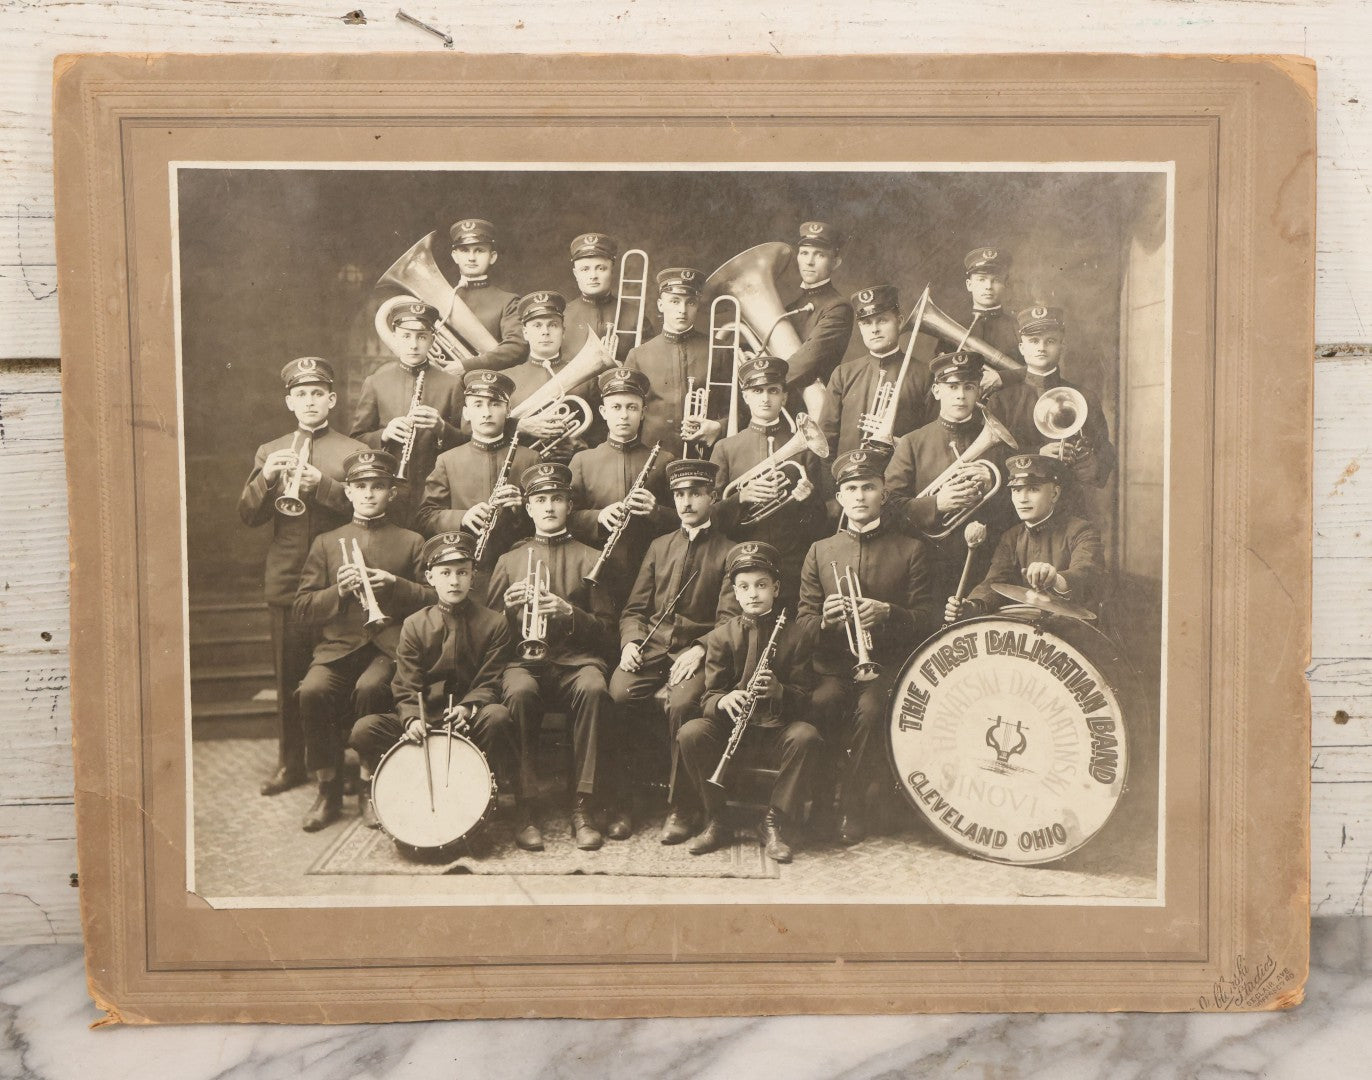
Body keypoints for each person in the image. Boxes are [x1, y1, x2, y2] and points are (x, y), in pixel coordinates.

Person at [238, 357, 367, 797]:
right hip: (289, 581)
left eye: (318, 394)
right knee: (289, 677)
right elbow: (248, 515)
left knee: (336, 676)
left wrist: (324, 487)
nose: (309, 401)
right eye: (301, 394)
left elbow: (368, 509)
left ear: (331, 399)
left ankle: (341, 763)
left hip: (337, 578)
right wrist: (268, 478)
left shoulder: (351, 451)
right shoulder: (269, 449)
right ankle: (292, 763)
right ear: (289, 401)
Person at [796, 448, 939, 844]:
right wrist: (825, 621)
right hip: (833, 666)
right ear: (840, 497)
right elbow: (803, 624)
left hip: (888, 666)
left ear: (883, 494)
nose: (860, 496)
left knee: (872, 710)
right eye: (851, 489)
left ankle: (852, 805)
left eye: (869, 487)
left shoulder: (911, 549)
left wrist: (889, 613)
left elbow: (928, 619)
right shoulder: (819, 550)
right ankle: (822, 803)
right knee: (822, 704)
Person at [291, 450, 432, 832]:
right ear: (348, 493)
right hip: (338, 648)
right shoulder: (325, 543)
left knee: (372, 688)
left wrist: (397, 586)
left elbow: (436, 599)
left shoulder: (412, 541)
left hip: (387, 648)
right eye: (361, 487)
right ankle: (328, 789)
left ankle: (371, 785)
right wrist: (338, 591)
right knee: (312, 691)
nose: (369, 494)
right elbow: (301, 608)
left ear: (392, 493)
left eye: (378, 486)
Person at [348, 532, 521, 835]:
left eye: (462, 572)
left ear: (472, 577)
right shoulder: (415, 624)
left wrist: (469, 708)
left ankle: (490, 788)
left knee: (498, 716)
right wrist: (412, 717)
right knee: (364, 730)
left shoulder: (494, 623)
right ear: (430, 577)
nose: (454, 581)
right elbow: (406, 682)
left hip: (468, 719)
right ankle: (390, 786)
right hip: (426, 717)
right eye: (445, 573)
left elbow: (490, 679)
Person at [488, 462, 620, 851]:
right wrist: (507, 613)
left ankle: (583, 805)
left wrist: (569, 613)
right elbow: (486, 633)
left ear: (569, 505)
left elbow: (609, 632)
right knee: (518, 693)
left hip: (577, 662)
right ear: (528, 508)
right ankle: (526, 807)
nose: (549, 508)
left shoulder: (591, 557)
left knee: (595, 688)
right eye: (540, 500)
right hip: (523, 661)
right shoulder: (508, 561)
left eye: (557, 499)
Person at [609, 459, 741, 845]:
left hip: (698, 652)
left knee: (682, 705)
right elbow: (634, 609)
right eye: (680, 495)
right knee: (618, 693)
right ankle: (628, 798)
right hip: (652, 645)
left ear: (712, 498)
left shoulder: (729, 551)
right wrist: (631, 641)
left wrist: (701, 649)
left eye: (696, 494)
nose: (686, 502)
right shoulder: (658, 545)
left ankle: (683, 805)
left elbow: (730, 619)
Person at [675, 541, 821, 863]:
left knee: (806, 736)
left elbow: (806, 697)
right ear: (735, 593)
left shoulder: (796, 635)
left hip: (777, 729)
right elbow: (709, 696)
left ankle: (773, 821)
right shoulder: (721, 636)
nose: (753, 593)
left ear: (776, 588)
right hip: (733, 730)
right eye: (744, 587)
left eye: (761, 585)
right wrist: (726, 699)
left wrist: (780, 691)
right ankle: (718, 817)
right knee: (691, 732)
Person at [884, 351, 1015, 605]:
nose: (960, 395)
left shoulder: (999, 447)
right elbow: (888, 508)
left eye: (969, 387)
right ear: (936, 391)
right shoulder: (913, 442)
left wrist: (993, 484)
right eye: (952, 386)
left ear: (979, 392)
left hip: (986, 567)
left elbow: (1017, 510)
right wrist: (937, 504)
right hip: (928, 565)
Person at [710, 355, 826, 605]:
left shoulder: (805, 449)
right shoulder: (726, 448)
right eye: (757, 390)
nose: (765, 398)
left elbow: (821, 519)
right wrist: (741, 497)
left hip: (793, 564)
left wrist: (807, 500)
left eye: (773, 391)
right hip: (742, 566)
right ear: (745, 396)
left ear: (784, 397)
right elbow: (710, 517)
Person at [414, 369, 538, 594]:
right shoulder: (447, 460)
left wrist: (522, 507)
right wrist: (463, 517)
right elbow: (425, 517)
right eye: (478, 404)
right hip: (466, 574)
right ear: (466, 413)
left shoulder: (530, 458)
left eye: (495, 404)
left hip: (519, 572)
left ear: (508, 410)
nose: (487, 412)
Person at [944, 453, 1107, 622]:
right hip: (1025, 632)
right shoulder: (1011, 537)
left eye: (1033, 489)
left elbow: (1087, 573)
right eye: (1016, 490)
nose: (1022, 499)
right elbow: (995, 581)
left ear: (1055, 494)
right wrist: (972, 606)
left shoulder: (1082, 530)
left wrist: (1056, 580)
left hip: (1071, 630)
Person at [984, 306, 1117, 511]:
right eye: (1034, 341)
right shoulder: (1001, 401)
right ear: (1021, 347)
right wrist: (1037, 454)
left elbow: (1105, 449)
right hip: (1015, 511)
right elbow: (989, 459)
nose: (1042, 347)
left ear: (1062, 346)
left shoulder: (1084, 398)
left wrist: (1094, 465)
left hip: (1069, 506)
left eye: (1050, 341)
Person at [350, 300, 467, 527]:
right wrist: (384, 435)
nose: (413, 344)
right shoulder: (376, 382)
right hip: (388, 492)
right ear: (394, 337)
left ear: (432, 340)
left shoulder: (452, 385)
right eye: (406, 336)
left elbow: (468, 444)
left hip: (436, 492)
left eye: (421, 337)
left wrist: (442, 429)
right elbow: (356, 440)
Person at [568, 366, 678, 605]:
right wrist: (598, 517)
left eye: (632, 407)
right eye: (616, 407)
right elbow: (567, 518)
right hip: (596, 571)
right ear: (603, 411)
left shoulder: (664, 460)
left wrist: (656, 511)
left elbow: (683, 519)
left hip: (650, 571)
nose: (624, 415)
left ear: (643, 412)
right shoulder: (583, 461)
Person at [821, 284, 932, 456]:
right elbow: (826, 441)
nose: (874, 329)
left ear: (900, 321)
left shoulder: (925, 374)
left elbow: (931, 440)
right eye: (866, 323)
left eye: (882, 320)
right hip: (847, 480)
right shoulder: (843, 374)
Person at [624, 267, 719, 458]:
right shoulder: (638, 355)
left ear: (697, 305)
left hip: (706, 454)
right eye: (674, 301)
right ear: (660, 304)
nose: (682, 310)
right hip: (651, 458)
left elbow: (739, 409)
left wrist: (719, 427)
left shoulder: (719, 350)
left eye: (690, 302)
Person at [505, 290, 604, 461]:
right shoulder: (507, 378)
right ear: (525, 333)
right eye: (537, 325)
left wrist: (581, 448)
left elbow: (603, 433)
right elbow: (476, 428)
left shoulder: (588, 379)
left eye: (553, 325)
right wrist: (520, 426)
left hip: (573, 472)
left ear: (563, 332)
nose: (545, 332)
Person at [781, 220, 855, 416]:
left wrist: (760, 378)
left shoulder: (838, 307)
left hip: (809, 412)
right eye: (804, 253)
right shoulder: (790, 308)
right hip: (777, 407)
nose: (809, 261)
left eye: (819, 254)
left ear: (835, 262)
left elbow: (805, 363)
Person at [442, 217, 528, 372]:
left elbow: (517, 347)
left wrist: (467, 366)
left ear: (492, 257)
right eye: (464, 250)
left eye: (479, 250)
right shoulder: (443, 299)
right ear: (455, 256)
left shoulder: (508, 301)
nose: (471, 258)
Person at [561, 232, 655, 364]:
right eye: (585, 269)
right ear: (576, 274)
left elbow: (649, 365)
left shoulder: (634, 315)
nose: (593, 275)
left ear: (611, 270)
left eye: (601, 268)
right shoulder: (562, 316)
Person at [939, 246, 1023, 395]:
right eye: (981, 280)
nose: (988, 287)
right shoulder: (954, 327)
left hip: (1010, 408)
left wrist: (1003, 377)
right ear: (969, 285)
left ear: (1005, 284)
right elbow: (939, 374)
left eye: (996, 280)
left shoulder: (1019, 327)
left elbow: (1039, 373)